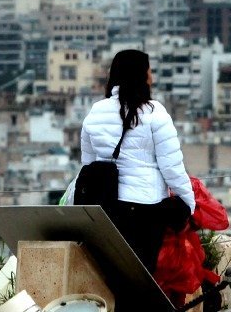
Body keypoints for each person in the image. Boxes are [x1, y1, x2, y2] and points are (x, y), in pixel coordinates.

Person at [79, 49, 195, 273]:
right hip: (146, 209)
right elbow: (171, 167)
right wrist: (189, 203)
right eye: (149, 69)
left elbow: (88, 163)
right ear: (143, 75)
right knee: (142, 277)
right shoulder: (155, 113)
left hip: (107, 208)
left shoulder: (95, 112)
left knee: (113, 277)